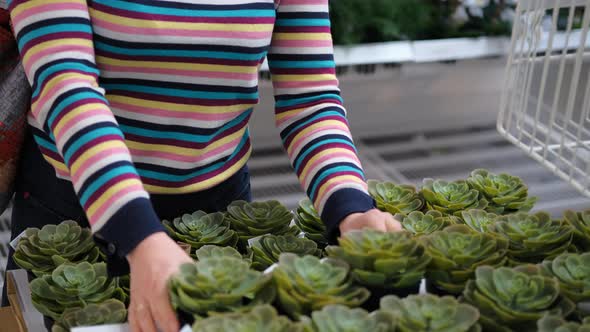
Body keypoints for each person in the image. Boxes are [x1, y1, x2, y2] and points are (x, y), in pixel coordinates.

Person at [2, 0, 401, 331]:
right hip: (75, 211)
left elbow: (309, 100)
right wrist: (140, 237)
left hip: (219, 214)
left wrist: (352, 207)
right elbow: (65, 86)